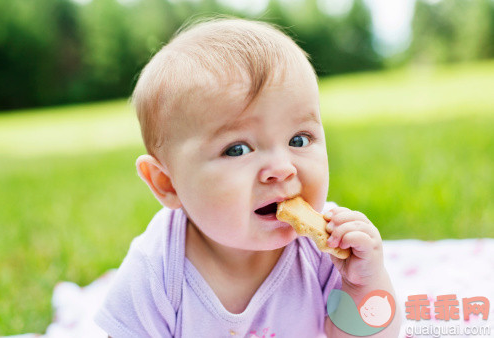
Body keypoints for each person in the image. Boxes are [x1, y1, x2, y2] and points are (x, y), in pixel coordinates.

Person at [95, 17, 400, 337]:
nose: (282, 168)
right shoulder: (156, 271)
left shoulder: (325, 251)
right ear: (166, 183)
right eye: (238, 149)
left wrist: (363, 283)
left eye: (299, 139)